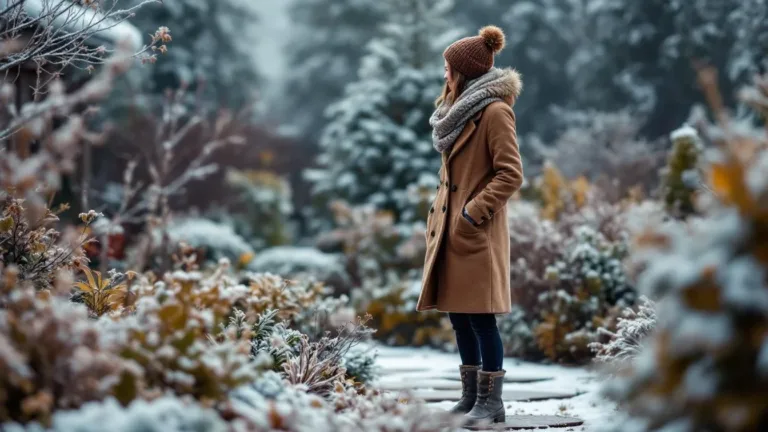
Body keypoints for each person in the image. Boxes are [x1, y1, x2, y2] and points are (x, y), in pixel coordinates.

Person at [416, 25, 523, 425]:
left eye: (449, 67)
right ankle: (470, 397)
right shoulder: (456, 112)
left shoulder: (495, 112)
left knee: (480, 317)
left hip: (474, 230)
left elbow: (511, 174)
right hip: (451, 230)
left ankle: (492, 403)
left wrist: (472, 213)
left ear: (464, 72)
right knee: (459, 316)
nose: (444, 73)